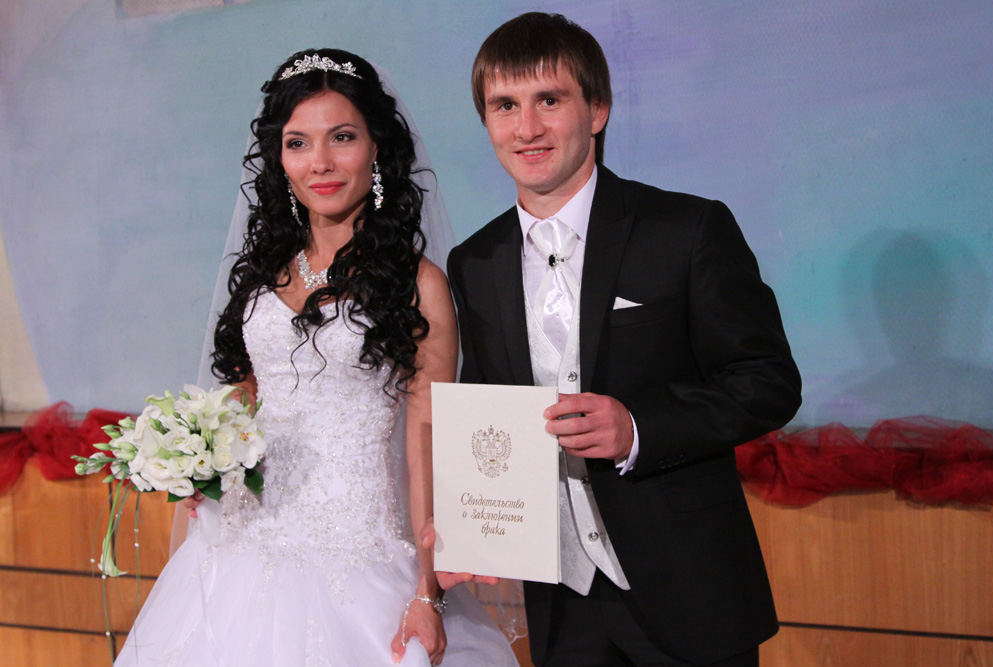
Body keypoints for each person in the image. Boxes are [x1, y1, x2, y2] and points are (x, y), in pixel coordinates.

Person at [116, 48, 516, 667]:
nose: (320, 163)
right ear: (279, 159)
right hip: (237, 550)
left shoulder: (417, 284)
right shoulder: (261, 275)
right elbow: (246, 399)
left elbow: (427, 437)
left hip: (360, 555)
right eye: (298, 143)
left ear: (377, 147)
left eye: (342, 137)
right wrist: (198, 464)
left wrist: (427, 591)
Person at [445, 13, 802, 667]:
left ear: (598, 109)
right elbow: (488, 412)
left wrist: (639, 427)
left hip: (689, 591)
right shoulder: (473, 261)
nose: (526, 128)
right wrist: (469, 525)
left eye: (549, 100)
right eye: (505, 105)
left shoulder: (687, 229)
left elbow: (768, 382)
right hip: (560, 603)